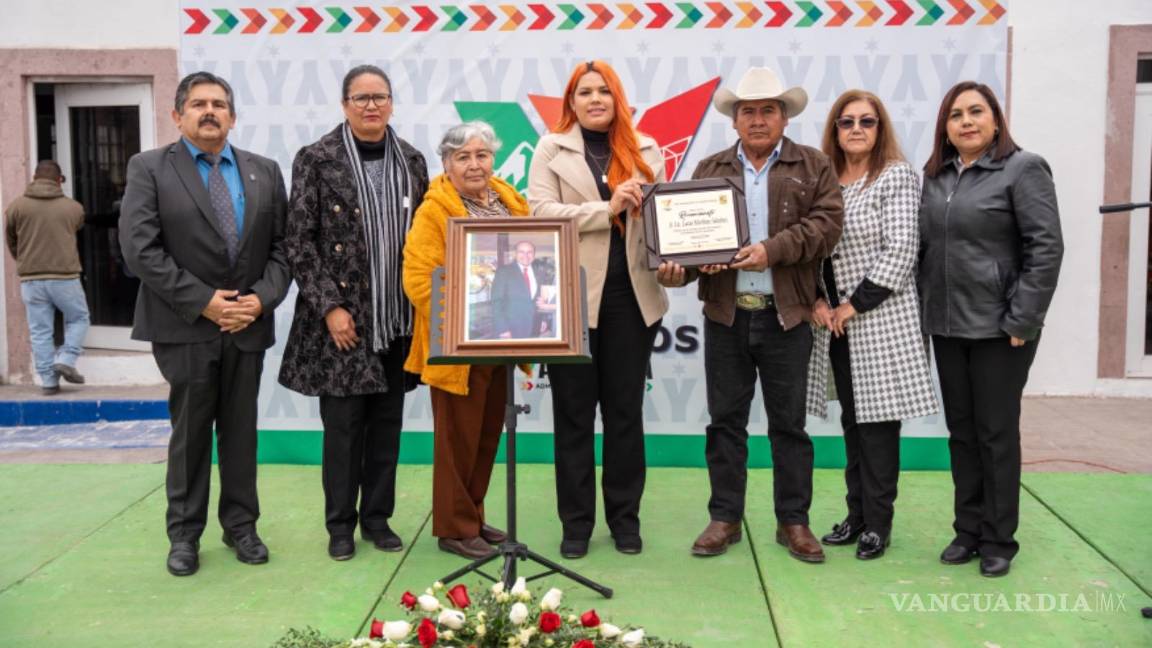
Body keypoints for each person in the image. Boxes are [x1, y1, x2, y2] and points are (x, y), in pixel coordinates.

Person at [657, 67, 843, 562]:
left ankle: (793, 522)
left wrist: (770, 250)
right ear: (734, 120)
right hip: (727, 316)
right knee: (725, 424)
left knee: (790, 426)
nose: (757, 119)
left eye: (767, 110)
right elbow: (692, 250)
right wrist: (677, 272)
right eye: (748, 111)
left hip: (787, 316)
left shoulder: (815, 164)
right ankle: (725, 518)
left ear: (784, 117)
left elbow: (826, 228)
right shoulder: (710, 168)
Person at [119, 72, 291, 576]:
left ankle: (242, 527)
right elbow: (140, 250)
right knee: (191, 434)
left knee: (241, 432)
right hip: (184, 325)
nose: (209, 111)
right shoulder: (149, 168)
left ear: (232, 117)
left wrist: (259, 301)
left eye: (219, 104)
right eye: (198, 104)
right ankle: (185, 537)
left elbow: (284, 249)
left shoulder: (264, 170)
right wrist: (204, 302)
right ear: (178, 115)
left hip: (247, 325)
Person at [278, 65, 429, 561]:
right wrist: (330, 307)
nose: (370, 105)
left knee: (387, 426)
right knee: (343, 431)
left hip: (397, 321)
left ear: (391, 103)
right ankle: (340, 526)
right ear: (344, 105)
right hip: (343, 324)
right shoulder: (316, 159)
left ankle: (377, 520)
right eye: (360, 97)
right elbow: (298, 241)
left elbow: (425, 239)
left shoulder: (411, 160)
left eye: (379, 96)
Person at [919, 81, 1063, 577]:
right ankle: (968, 531)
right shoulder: (935, 176)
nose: (966, 121)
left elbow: (1046, 249)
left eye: (976, 111)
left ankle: (999, 538)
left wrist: (1023, 317)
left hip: (1003, 329)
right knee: (962, 434)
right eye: (955, 115)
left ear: (996, 120)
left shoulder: (1024, 169)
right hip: (947, 325)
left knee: (995, 433)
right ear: (946, 128)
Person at [527, 60, 668, 558]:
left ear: (618, 99)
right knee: (572, 416)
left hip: (633, 298)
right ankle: (576, 525)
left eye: (604, 91)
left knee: (626, 414)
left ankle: (625, 520)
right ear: (571, 102)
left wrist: (678, 261)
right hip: (568, 300)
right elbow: (539, 215)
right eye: (584, 92)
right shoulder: (550, 148)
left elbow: (664, 227)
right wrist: (603, 210)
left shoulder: (647, 149)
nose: (594, 99)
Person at [805, 90, 938, 561]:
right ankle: (856, 514)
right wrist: (819, 300)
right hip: (836, 326)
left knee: (879, 429)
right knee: (852, 427)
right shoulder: (825, 181)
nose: (856, 129)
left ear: (880, 128)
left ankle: (878, 525)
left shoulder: (896, 176)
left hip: (879, 321)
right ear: (835, 131)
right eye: (846, 122)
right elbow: (816, 249)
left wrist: (851, 305)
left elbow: (902, 249)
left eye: (867, 121)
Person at [403, 121, 528, 559]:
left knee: (486, 436)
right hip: (457, 347)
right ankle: (454, 529)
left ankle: (472, 516)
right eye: (463, 157)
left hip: (504, 343)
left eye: (482, 155)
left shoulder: (510, 201)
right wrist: (465, 318)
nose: (474, 165)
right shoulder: (434, 210)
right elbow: (418, 280)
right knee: (456, 441)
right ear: (447, 163)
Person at [4, 160, 90, 394]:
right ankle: (67, 358)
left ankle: (49, 382)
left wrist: (23, 260)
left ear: (34, 177)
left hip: (31, 278)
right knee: (79, 318)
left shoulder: (16, 207)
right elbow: (77, 228)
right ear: (59, 180)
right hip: (65, 276)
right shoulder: (73, 208)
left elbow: (12, 240)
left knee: (40, 330)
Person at [489, 240, 541, 339]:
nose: (526, 255)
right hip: (511, 329)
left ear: (534, 255)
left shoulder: (539, 273)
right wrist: (503, 328)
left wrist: (544, 320)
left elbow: (539, 299)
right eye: (521, 252)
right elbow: (496, 302)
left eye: (529, 252)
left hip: (534, 328)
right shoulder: (504, 271)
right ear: (515, 254)